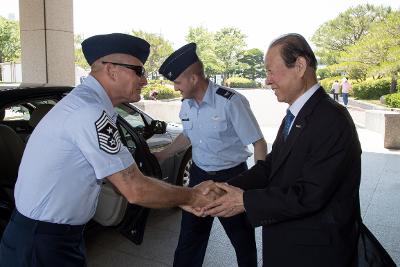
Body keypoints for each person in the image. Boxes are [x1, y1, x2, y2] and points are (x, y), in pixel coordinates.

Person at [0, 33, 213, 267]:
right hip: (42, 244)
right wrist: (191, 196)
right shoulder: (89, 111)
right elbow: (134, 188)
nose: (145, 80)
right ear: (112, 70)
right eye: (139, 71)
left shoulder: (87, 105)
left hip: (47, 236)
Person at [202, 33, 362, 267]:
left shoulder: (332, 119)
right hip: (288, 243)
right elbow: (270, 166)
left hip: (315, 253)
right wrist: (227, 187)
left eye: (270, 71)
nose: (267, 80)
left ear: (299, 66)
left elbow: (311, 195)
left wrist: (245, 201)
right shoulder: (296, 114)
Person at [156, 43, 267, 267]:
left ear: (194, 78)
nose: (176, 88)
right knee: (189, 240)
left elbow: (259, 143)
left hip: (231, 178)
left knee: (242, 240)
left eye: (177, 82)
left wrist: (258, 180)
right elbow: (187, 136)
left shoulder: (230, 102)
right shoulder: (186, 105)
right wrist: (161, 155)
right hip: (198, 177)